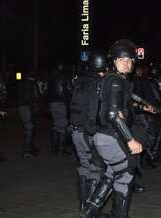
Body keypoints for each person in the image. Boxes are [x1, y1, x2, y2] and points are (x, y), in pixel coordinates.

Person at [81, 39, 143, 218]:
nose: (127, 63)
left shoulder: (108, 79)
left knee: (111, 173)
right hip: (112, 136)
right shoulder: (116, 81)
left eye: (130, 59)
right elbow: (112, 115)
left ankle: (89, 211)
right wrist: (130, 140)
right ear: (114, 61)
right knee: (126, 174)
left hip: (102, 136)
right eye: (122, 59)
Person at [70, 51, 107, 214]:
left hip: (75, 130)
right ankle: (91, 211)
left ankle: (83, 206)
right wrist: (95, 132)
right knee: (96, 169)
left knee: (84, 168)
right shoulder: (99, 82)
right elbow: (94, 108)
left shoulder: (79, 80)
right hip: (89, 131)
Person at [47, 64, 72, 155]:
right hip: (61, 103)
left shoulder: (51, 78)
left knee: (56, 125)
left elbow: (48, 92)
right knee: (62, 127)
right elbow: (68, 91)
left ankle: (55, 147)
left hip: (52, 103)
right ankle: (61, 149)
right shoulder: (65, 77)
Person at [16, 72, 40, 159]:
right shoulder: (32, 83)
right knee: (29, 129)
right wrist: (36, 105)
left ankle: (29, 148)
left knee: (27, 127)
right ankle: (26, 151)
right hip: (28, 107)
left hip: (21, 107)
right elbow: (36, 95)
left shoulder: (21, 82)